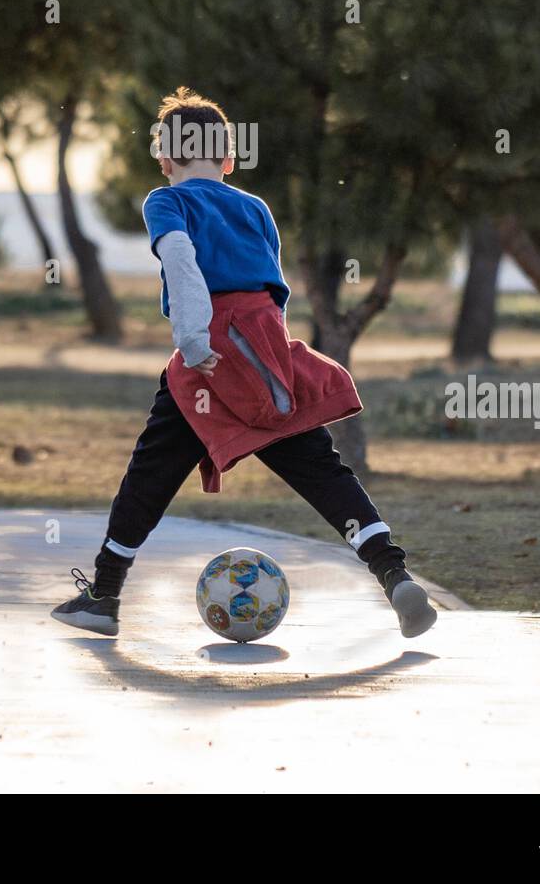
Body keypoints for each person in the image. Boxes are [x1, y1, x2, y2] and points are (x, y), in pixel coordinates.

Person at [51, 88, 437, 639]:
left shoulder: (167, 201)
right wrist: (268, 359)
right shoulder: (255, 208)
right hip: (269, 357)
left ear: (165, 156)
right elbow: (273, 295)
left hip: (207, 360)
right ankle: (394, 574)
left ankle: (104, 594)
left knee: (150, 476)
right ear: (229, 159)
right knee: (322, 471)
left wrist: (194, 340)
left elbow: (183, 264)